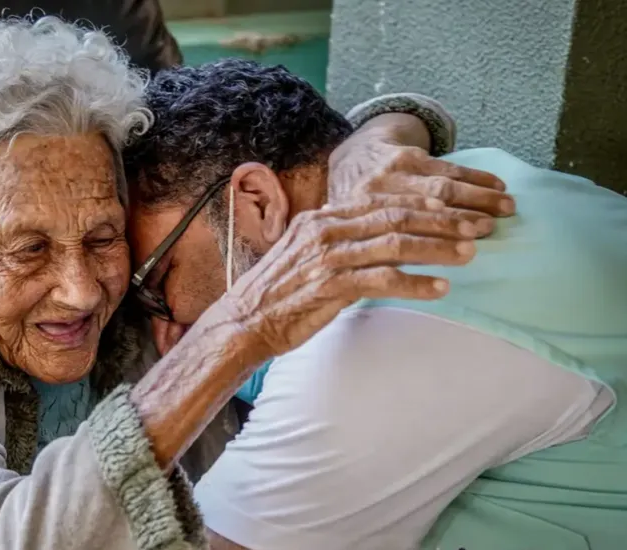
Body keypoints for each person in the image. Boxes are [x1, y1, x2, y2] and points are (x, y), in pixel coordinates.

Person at [0, 15, 509, 550]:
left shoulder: (139, 272)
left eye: (103, 238)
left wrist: (383, 133)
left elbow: (277, 160)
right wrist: (237, 331)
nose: (82, 291)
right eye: (29, 250)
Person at [118, 58, 627, 550]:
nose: (167, 330)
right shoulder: (466, 178)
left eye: (156, 282)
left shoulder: (374, 334)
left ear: (258, 201)